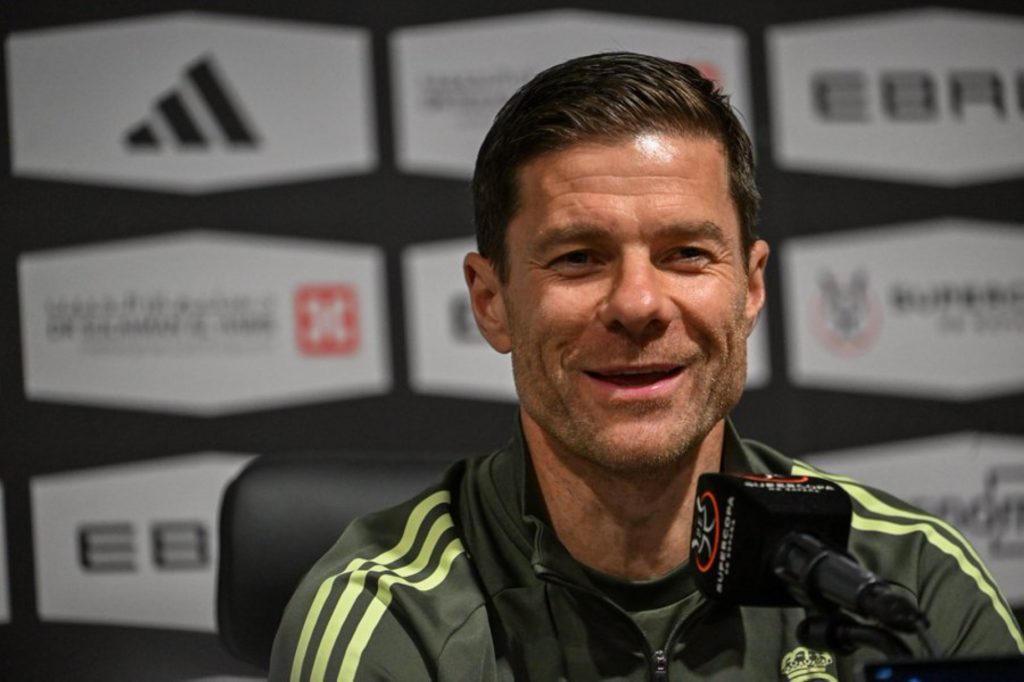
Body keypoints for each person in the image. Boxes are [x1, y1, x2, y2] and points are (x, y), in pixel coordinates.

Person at [270, 52, 1023, 681]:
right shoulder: (389, 618)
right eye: (578, 258)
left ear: (751, 288)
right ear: (492, 302)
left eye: (686, 253)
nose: (638, 303)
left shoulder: (907, 583)